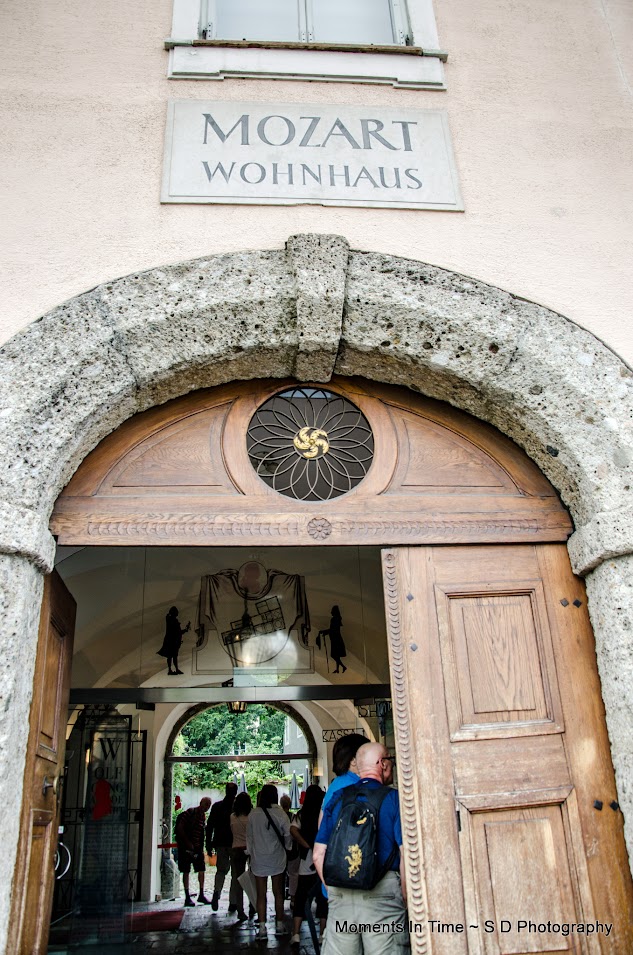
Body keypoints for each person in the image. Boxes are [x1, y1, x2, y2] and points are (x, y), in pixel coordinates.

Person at [313, 743, 407, 955]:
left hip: (341, 896)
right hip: (383, 897)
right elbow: (406, 854)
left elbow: (318, 855)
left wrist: (334, 891)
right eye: (390, 759)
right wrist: (406, 896)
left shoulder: (337, 797)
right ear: (382, 764)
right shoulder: (394, 799)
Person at [247, 784, 292, 941]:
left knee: (261, 894)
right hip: (277, 857)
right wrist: (288, 847)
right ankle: (279, 925)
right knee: (278, 892)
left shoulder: (253, 814)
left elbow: (249, 838)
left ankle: (261, 928)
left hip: (259, 858)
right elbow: (288, 834)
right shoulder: (280, 813)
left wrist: (250, 854)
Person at [289, 785, 328, 946]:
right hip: (323, 861)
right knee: (323, 899)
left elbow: (292, 830)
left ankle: (296, 934)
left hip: (306, 861)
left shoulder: (301, 814)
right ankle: (322, 934)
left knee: (300, 898)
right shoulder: (324, 813)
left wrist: (305, 844)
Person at [206, 781, 238, 911]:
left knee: (220, 871)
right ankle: (233, 901)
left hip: (220, 843)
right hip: (235, 844)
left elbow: (209, 826)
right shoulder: (238, 808)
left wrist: (208, 844)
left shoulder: (217, 806)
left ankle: (217, 892)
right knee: (235, 873)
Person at [175, 796, 212, 906]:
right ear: (201, 803)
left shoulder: (202, 816)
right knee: (187, 870)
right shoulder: (191, 812)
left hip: (196, 848)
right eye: (206, 804)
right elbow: (180, 827)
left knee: (201, 869)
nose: (207, 807)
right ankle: (188, 896)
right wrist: (187, 842)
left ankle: (200, 894)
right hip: (186, 848)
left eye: (208, 805)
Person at [230, 791, 253, 921]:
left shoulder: (232, 817)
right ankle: (252, 905)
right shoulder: (251, 817)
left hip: (236, 849)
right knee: (252, 879)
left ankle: (240, 909)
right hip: (250, 849)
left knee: (239, 880)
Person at [156, 605, 190, 675]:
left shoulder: (171, 620)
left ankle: (173, 669)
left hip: (172, 641)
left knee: (172, 656)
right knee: (172, 656)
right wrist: (185, 630)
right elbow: (177, 632)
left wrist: (184, 630)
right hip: (172, 642)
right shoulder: (172, 620)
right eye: (176, 612)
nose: (177, 613)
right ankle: (172, 670)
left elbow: (178, 632)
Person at [280, 793, 300, 904]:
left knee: (280, 875)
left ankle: (280, 897)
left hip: (280, 850)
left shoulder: (278, 817)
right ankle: (293, 899)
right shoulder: (294, 817)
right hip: (292, 850)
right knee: (293, 875)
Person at [318, 606, 347, 673]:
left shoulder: (334, 619)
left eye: (332, 611)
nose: (331, 612)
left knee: (334, 655)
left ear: (334, 611)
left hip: (336, 639)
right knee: (337, 655)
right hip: (336, 638)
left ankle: (343, 667)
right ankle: (337, 669)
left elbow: (333, 629)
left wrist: (324, 632)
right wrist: (325, 632)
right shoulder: (337, 619)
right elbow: (333, 630)